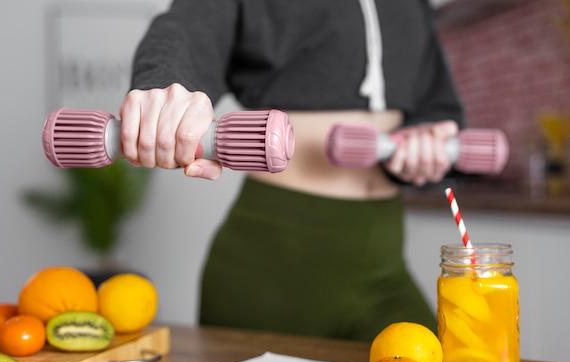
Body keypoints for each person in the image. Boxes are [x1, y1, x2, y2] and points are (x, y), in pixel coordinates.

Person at [118, 0, 464, 342]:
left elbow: (436, 107)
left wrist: (425, 142)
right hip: (275, 258)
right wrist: (163, 90)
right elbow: (189, 29)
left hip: (384, 255)